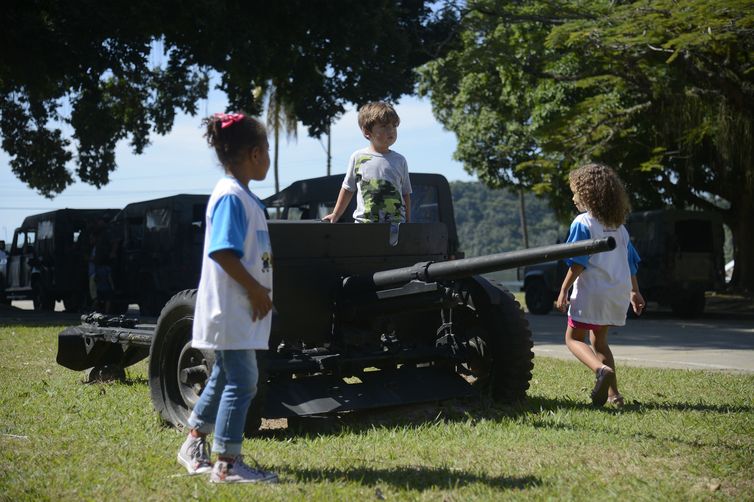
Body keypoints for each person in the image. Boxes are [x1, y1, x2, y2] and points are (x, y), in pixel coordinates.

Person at [176, 112, 278, 484]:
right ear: (254, 154)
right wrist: (253, 288)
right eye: (267, 150)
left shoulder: (246, 197)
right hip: (231, 307)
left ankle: (193, 445)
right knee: (243, 380)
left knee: (223, 375)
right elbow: (222, 251)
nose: (269, 157)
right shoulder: (231, 197)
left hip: (240, 309)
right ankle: (228, 464)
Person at [556, 163, 645, 408]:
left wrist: (563, 290)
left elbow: (578, 262)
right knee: (600, 341)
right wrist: (634, 291)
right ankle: (614, 396)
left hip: (592, 291)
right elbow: (631, 263)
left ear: (588, 194)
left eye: (575, 192)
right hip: (616, 291)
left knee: (573, 338)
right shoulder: (620, 228)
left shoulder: (583, 223)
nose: (573, 198)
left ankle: (599, 369)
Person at [322, 101, 412, 224]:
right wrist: (336, 214)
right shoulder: (358, 157)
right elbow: (348, 189)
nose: (391, 130)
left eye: (394, 126)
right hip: (364, 224)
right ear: (367, 132)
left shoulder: (400, 160)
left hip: (395, 225)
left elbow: (405, 193)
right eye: (385, 126)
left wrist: (408, 221)